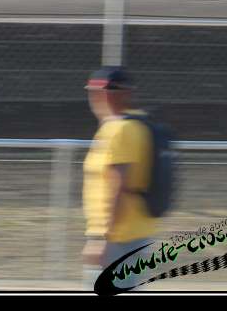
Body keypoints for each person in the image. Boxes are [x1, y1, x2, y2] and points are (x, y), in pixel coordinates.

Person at [81, 66, 157, 291]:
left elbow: (118, 187)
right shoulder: (138, 123)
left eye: (101, 93)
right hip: (135, 232)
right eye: (93, 93)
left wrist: (102, 240)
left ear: (124, 94)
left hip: (118, 238)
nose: (96, 99)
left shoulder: (119, 130)